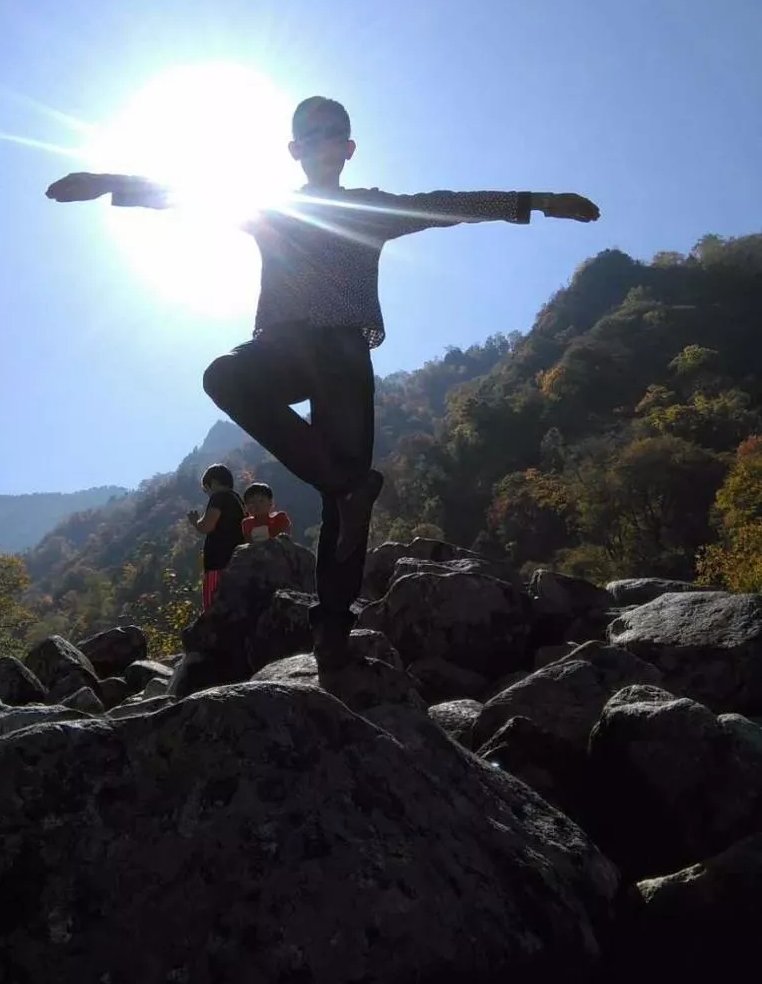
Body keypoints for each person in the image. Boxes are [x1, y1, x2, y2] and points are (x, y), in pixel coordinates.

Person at [46, 96, 600, 668]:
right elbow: (191, 194)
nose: (319, 144)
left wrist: (537, 202)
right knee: (228, 379)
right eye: (308, 137)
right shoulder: (270, 208)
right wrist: (108, 182)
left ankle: (332, 633)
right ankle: (342, 482)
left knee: (345, 505)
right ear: (294, 150)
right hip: (281, 348)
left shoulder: (370, 209)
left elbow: (444, 205)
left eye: (331, 134)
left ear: (349, 147)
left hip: (342, 354)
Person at [186, 463, 245, 610]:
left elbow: (206, 526)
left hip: (218, 563)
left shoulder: (219, 497)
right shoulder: (237, 500)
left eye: (207, 490)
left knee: (213, 609)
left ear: (213, 483)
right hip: (237, 562)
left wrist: (195, 522)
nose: (208, 495)